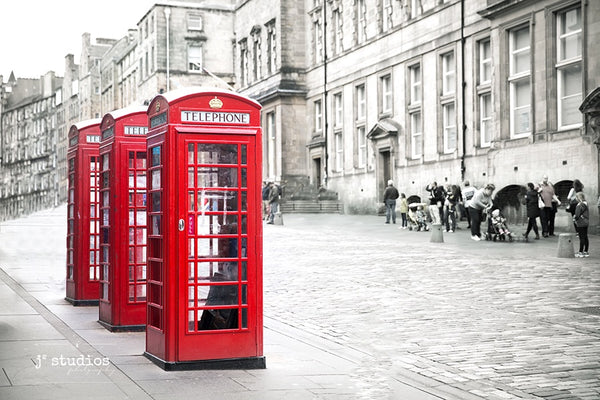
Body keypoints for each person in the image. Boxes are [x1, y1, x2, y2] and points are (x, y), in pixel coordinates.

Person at [573, 192, 589, 257]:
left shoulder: (580, 205)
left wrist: (574, 218)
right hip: (586, 222)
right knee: (585, 237)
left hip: (580, 222)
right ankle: (586, 251)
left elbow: (577, 214)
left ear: (578, 198)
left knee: (581, 237)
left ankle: (580, 252)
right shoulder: (586, 204)